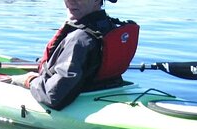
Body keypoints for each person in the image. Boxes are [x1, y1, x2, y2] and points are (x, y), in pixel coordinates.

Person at [11, 0, 139, 110]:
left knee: (4, 80)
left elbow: (53, 96)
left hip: (70, 95)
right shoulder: (111, 26)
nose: (70, 1)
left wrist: (30, 81)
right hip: (107, 89)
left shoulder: (79, 39)